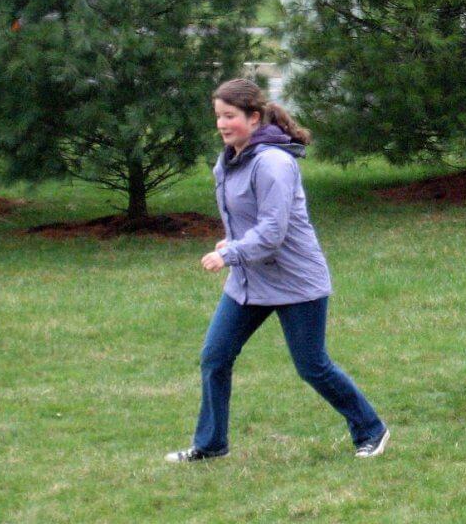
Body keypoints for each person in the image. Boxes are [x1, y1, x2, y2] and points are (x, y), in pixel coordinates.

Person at [165, 79, 389, 461]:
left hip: (296, 283)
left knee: (312, 367)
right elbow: (245, 216)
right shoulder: (229, 159)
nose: (221, 124)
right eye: (218, 116)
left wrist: (230, 252)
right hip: (250, 282)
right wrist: (231, 240)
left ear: (253, 118)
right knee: (215, 357)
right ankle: (211, 444)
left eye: (230, 116)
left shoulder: (274, 163)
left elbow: (272, 230)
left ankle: (371, 429)